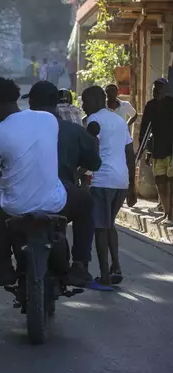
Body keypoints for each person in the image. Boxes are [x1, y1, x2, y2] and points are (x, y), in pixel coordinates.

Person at [0, 79, 95, 329]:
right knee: (86, 201)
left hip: (16, 208)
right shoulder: (47, 121)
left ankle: (0, 268)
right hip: (55, 201)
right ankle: (79, 264)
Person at [82, 86, 137, 287]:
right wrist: (132, 186)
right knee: (109, 225)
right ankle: (116, 267)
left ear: (96, 101)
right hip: (120, 180)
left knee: (100, 228)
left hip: (102, 180)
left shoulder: (93, 120)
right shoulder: (119, 120)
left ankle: (104, 277)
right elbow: (130, 154)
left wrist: (80, 174)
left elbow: (91, 152)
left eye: (85, 102)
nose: (82, 105)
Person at [139, 78, 173, 225]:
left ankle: (171, 216)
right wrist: (146, 151)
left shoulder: (171, 103)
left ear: (165, 90)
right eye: (154, 88)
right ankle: (166, 213)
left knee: (171, 183)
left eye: (159, 88)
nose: (155, 91)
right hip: (157, 150)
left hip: (171, 150)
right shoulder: (150, 106)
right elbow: (145, 129)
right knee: (160, 183)